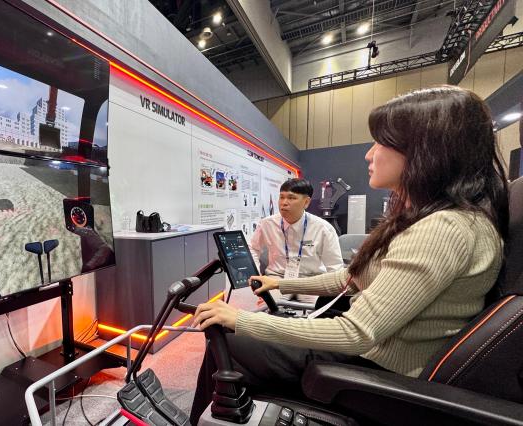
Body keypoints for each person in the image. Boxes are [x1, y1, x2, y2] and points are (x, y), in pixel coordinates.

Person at [189, 86, 509, 424]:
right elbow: (353, 279)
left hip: (379, 371)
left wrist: (241, 319)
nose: (369, 155)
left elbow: (355, 333)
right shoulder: (440, 219)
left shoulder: (445, 229)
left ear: (425, 151)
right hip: (377, 354)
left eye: (381, 143)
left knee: (228, 341)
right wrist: (279, 284)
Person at [249, 178, 343, 305]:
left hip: (310, 280)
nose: (284, 203)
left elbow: (335, 267)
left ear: (306, 202)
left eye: (291, 198)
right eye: (281, 197)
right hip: (276, 278)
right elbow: (253, 248)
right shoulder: (267, 224)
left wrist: (330, 293)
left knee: (318, 311)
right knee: (264, 308)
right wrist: (256, 274)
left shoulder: (323, 228)